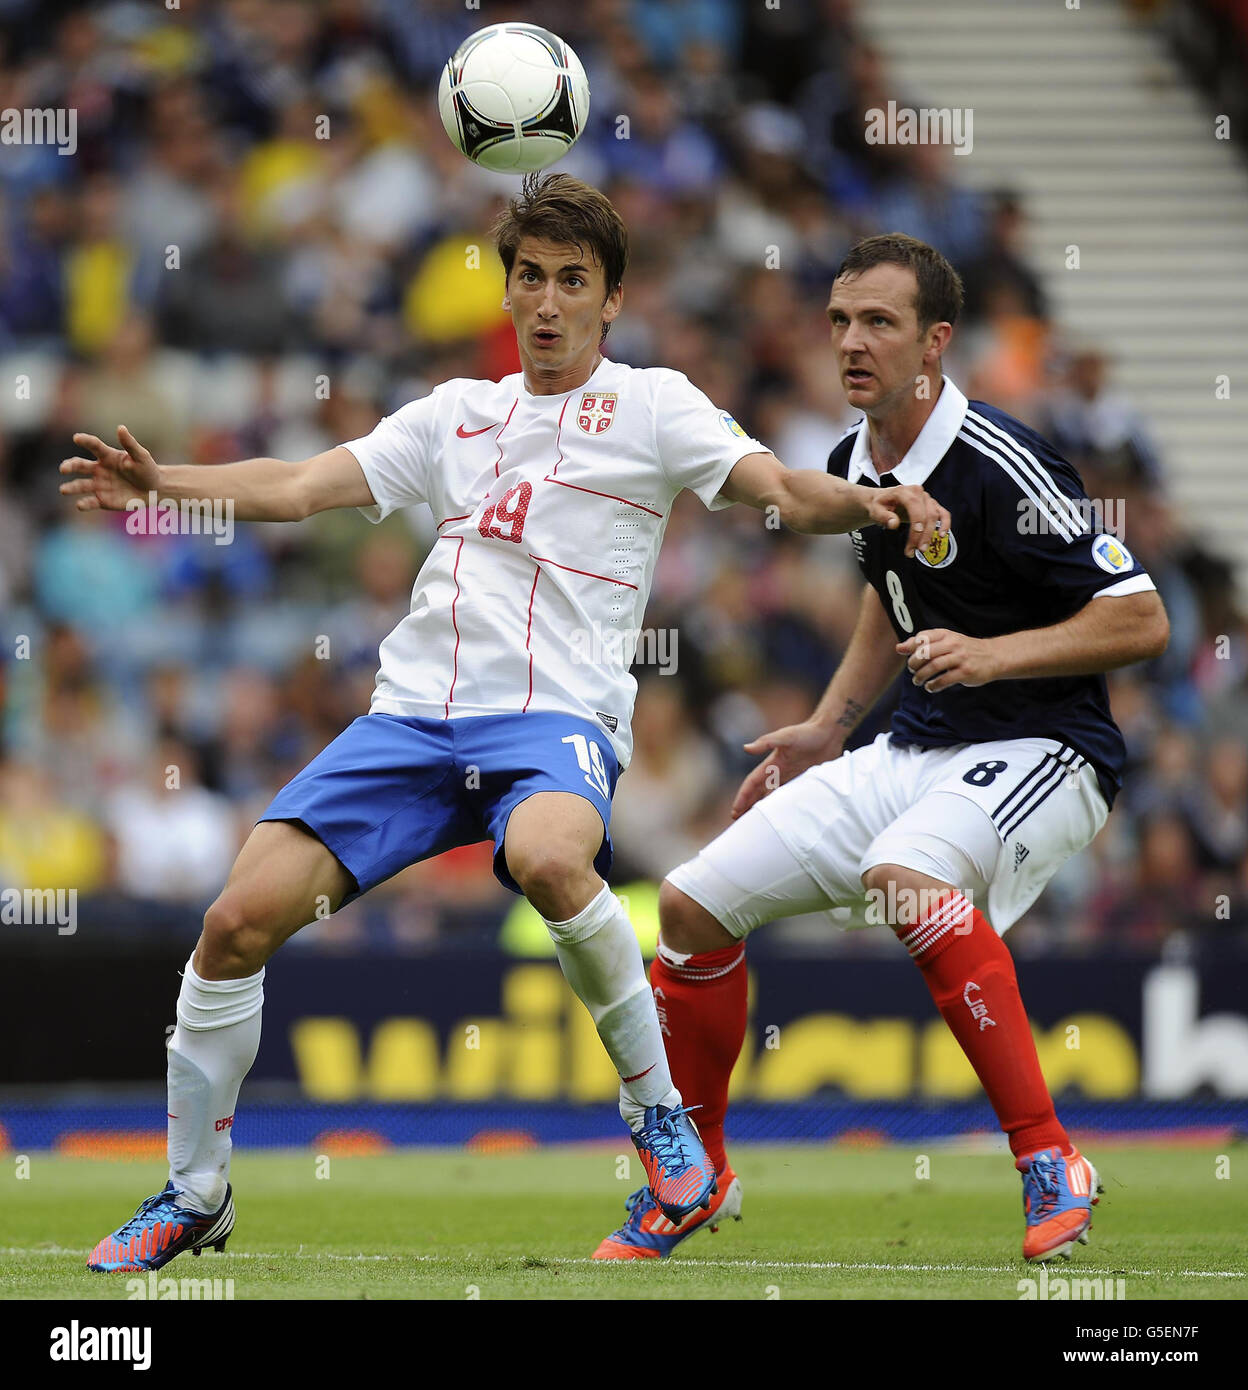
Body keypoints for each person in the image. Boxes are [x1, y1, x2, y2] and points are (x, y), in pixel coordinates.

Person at [60, 177, 948, 1273]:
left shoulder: (656, 405)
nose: (547, 302)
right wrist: (164, 483)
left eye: (574, 281)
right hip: (412, 720)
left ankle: (667, 1133)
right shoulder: (452, 416)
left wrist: (868, 500)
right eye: (530, 276)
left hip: (554, 717)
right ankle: (195, 1192)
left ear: (611, 299)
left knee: (546, 856)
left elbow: (772, 486)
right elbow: (296, 485)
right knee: (234, 922)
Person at [592, 232, 1169, 1263]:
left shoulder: (1002, 460)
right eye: (841, 322)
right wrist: (827, 726)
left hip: (1049, 744)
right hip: (918, 742)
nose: (852, 343)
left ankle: (1050, 1159)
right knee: (690, 901)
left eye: (880, 323)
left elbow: (1141, 618)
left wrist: (993, 657)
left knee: (902, 877)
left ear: (935, 342)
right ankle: (698, 1176)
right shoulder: (853, 464)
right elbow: (888, 597)